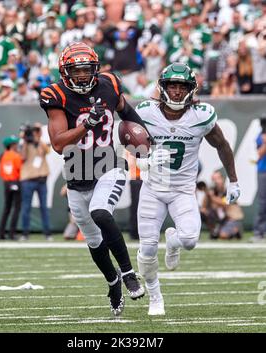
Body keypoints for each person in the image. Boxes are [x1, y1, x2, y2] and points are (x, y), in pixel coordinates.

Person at [40, 42, 146, 316]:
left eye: (87, 71)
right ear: (65, 73)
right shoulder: (56, 95)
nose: (83, 77)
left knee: (101, 212)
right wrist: (86, 124)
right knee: (93, 240)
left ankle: (128, 273)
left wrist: (143, 136)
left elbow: (125, 110)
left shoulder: (109, 83)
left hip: (108, 166)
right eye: (76, 72)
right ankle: (113, 283)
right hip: (76, 173)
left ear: (95, 70)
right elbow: (58, 143)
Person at [135, 62, 240, 316]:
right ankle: (155, 297)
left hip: (183, 189)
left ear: (191, 89)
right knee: (147, 248)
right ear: (163, 87)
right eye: (172, 85)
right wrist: (142, 161)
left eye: (182, 86)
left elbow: (222, 145)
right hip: (153, 188)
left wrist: (233, 180)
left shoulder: (201, 115)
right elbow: (125, 140)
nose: (177, 92)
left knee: (190, 241)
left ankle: (173, 241)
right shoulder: (146, 112)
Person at [19, 122, 52, 240]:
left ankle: (47, 233)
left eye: (38, 129)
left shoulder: (41, 143)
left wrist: (37, 140)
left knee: (44, 207)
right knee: (26, 207)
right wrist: (24, 141)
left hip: (41, 178)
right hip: (28, 179)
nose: (36, 132)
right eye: (35, 130)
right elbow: (22, 157)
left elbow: (47, 151)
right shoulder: (25, 143)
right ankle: (25, 233)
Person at [0, 135, 22, 240]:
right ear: (12, 145)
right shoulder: (16, 156)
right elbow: (20, 169)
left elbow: (1, 171)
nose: (17, 145)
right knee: (16, 208)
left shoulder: (3, 155)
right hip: (15, 181)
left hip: (6, 183)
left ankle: (1, 233)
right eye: (15, 144)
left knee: (7, 208)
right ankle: (12, 233)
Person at [253, 116, 266, 241]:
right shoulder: (259, 136)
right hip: (263, 171)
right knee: (263, 202)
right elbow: (260, 154)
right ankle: (259, 231)